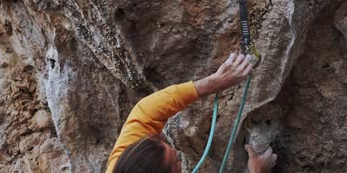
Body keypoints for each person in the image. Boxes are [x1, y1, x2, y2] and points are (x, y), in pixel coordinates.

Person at [106, 53, 278, 173]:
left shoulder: (120, 168)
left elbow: (146, 112)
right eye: (176, 161)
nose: (180, 156)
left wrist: (213, 83)